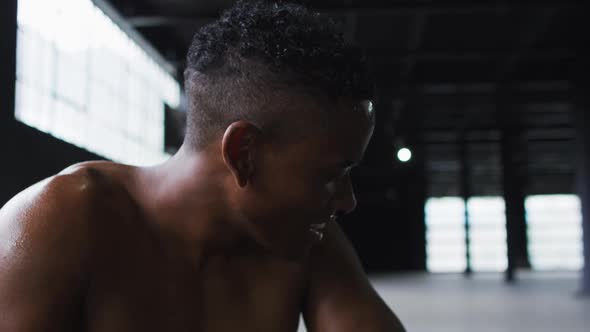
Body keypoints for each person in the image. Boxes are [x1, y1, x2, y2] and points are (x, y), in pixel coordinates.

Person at [0, 1, 406, 331]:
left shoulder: (301, 236)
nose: (348, 200)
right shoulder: (61, 218)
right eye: (330, 174)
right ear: (244, 153)